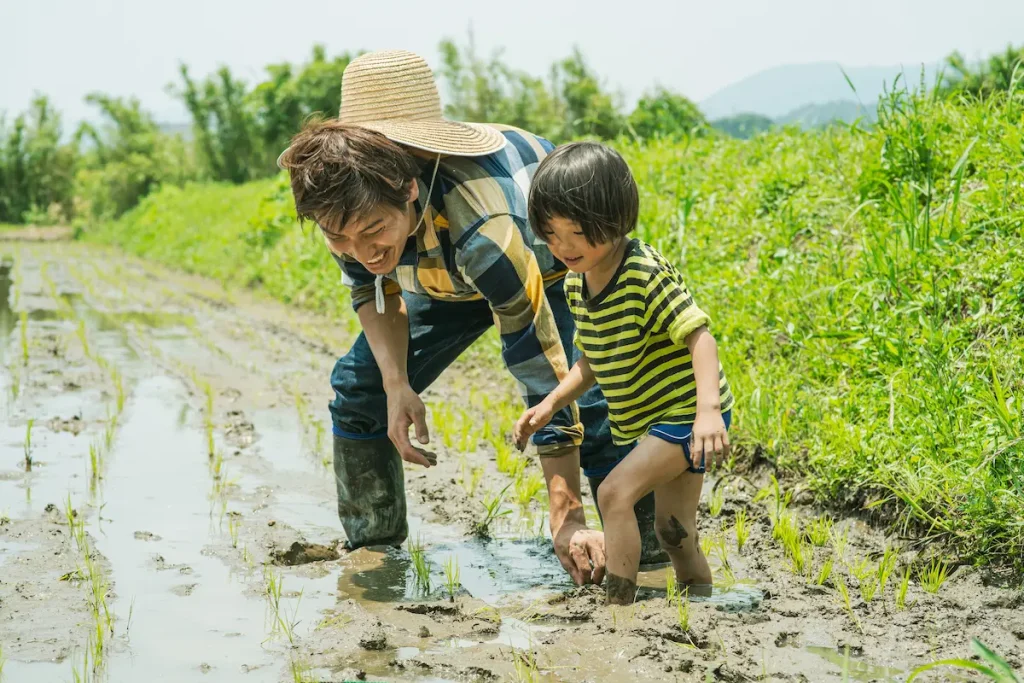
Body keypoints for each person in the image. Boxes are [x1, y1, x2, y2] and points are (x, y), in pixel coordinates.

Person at [276, 49, 668, 585]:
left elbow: (538, 362)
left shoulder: (486, 229)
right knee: (360, 388)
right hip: (443, 280)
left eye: (373, 232)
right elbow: (374, 290)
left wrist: (564, 515)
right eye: (338, 237)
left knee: (595, 399)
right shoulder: (346, 201)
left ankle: (640, 553)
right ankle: (375, 550)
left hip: (549, 268)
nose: (357, 248)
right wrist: (396, 383)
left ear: (408, 183)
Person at [513, 141, 734, 604]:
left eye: (576, 232)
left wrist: (709, 414)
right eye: (551, 234)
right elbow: (592, 359)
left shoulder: (642, 271)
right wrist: (552, 403)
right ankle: (703, 600)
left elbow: (701, 337)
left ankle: (619, 605)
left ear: (614, 219)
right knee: (673, 530)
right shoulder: (576, 283)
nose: (563, 246)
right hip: (657, 420)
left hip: (688, 412)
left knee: (614, 493)